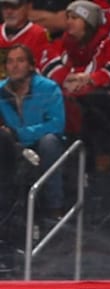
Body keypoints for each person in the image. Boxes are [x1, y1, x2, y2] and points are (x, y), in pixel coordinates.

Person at [40, 0, 110, 172]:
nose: (69, 22)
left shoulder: (108, 43)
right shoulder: (60, 42)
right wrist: (66, 80)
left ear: (88, 23)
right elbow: (49, 66)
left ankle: (101, 157)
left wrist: (90, 79)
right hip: (66, 96)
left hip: (98, 99)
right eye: (68, 17)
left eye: (75, 18)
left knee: (95, 102)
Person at [0, 44, 65, 218]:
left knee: (50, 141)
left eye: (20, 60)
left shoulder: (49, 88)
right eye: (10, 62)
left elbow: (57, 124)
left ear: (31, 65)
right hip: (11, 145)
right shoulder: (0, 90)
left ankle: (54, 208)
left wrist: (20, 133)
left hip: (39, 142)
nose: (14, 66)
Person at [0, 0, 52, 72]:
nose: (9, 12)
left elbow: (43, 70)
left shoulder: (39, 34)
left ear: (28, 7)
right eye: (5, 7)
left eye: (14, 7)